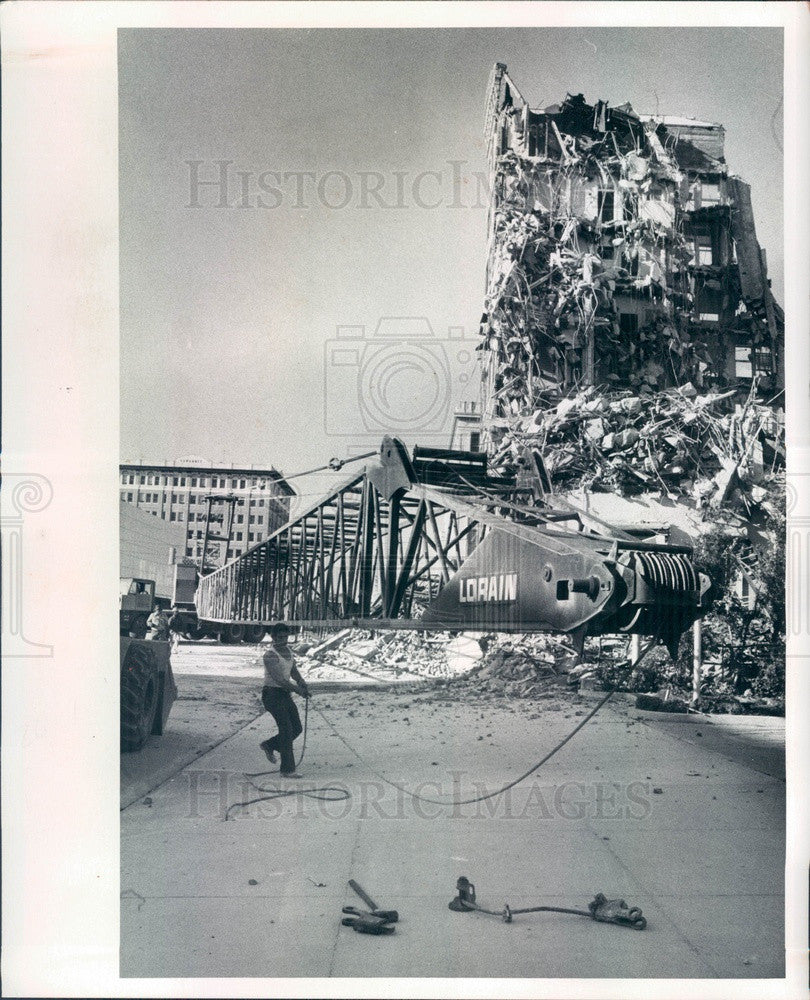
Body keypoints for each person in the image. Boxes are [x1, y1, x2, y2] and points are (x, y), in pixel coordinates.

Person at [259, 622, 310, 778]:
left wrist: (301, 682)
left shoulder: (288, 651)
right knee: (286, 729)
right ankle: (287, 770)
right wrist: (298, 690)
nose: (283, 639)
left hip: (284, 694)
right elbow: (280, 680)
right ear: (273, 637)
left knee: (296, 728)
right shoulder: (270, 655)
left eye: (285, 636)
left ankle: (270, 744)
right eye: (279, 637)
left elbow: (293, 671)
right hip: (272, 695)